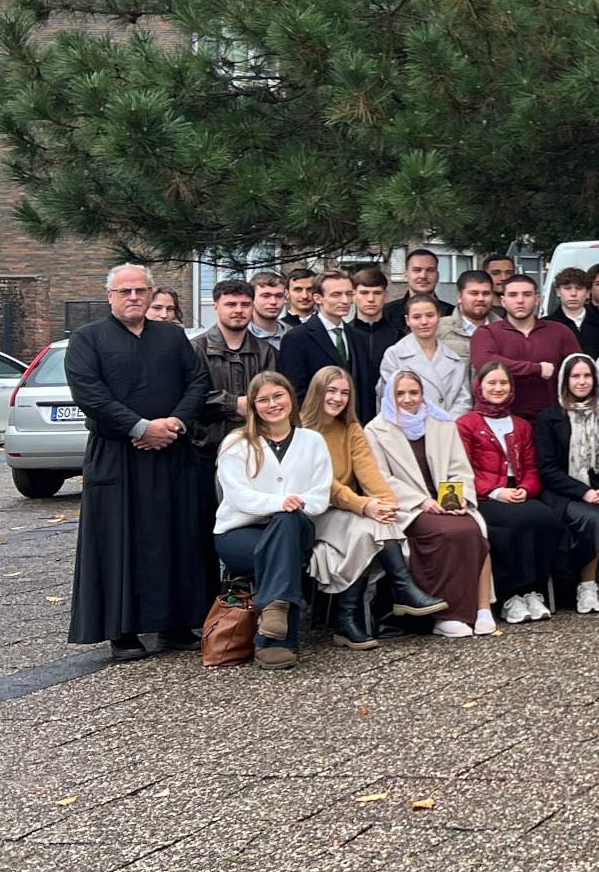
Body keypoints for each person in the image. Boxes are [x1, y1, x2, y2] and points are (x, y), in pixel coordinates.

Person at [68, 263, 215, 661]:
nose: (133, 297)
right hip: (118, 457)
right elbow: (89, 394)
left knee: (176, 537)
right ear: (110, 296)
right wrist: (138, 427)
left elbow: (199, 382)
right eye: (124, 291)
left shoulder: (171, 336)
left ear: (151, 294)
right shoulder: (87, 339)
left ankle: (177, 622)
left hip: (172, 453)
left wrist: (176, 423)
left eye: (140, 290)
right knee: (120, 541)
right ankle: (123, 629)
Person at [299, 366, 445, 648]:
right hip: (313, 510)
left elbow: (369, 473)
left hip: (346, 510)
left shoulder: (351, 429)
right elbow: (323, 485)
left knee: (372, 526)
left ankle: (349, 619)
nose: (338, 398)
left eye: (344, 392)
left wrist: (386, 505)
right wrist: (365, 506)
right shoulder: (302, 431)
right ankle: (398, 590)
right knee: (367, 528)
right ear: (318, 391)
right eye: (331, 390)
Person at [213, 370, 331, 669]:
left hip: (296, 527)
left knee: (287, 524)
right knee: (283, 545)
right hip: (238, 533)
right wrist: (280, 502)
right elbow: (238, 497)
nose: (272, 404)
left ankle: (273, 627)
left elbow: (319, 496)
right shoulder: (235, 443)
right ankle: (275, 626)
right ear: (253, 406)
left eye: (278, 396)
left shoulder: (313, 441)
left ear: (291, 397)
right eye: (263, 400)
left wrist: (289, 506)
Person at [365, 369, 496, 636]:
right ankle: (446, 615)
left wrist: (459, 498)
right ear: (390, 396)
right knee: (447, 532)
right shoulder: (376, 430)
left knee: (472, 529)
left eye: (414, 392)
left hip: (446, 502)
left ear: (423, 395)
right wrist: (421, 501)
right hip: (408, 507)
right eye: (400, 393)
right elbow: (380, 478)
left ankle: (482, 608)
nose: (407, 399)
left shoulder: (442, 423)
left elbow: (460, 467)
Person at [460, 360, 572, 623]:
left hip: (518, 491)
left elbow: (533, 467)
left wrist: (525, 488)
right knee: (512, 524)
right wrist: (497, 492)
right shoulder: (466, 424)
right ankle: (512, 595)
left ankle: (534, 589)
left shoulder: (521, 425)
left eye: (503, 383)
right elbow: (464, 469)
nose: (497, 388)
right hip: (486, 496)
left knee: (547, 519)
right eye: (492, 383)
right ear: (479, 386)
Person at [539, 352, 599, 612]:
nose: (582, 382)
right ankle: (586, 587)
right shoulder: (550, 417)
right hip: (566, 492)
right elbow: (548, 469)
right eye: (575, 376)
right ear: (565, 381)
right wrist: (584, 492)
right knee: (594, 519)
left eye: (587, 376)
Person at [468, 274, 580, 421]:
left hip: (552, 421)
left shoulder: (560, 331)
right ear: (503, 301)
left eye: (527, 294)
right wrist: (536, 369)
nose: (520, 300)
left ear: (537, 299)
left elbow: (579, 370)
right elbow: (485, 363)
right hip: (501, 420)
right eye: (513, 295)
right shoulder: (487, 333)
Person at [193, 278, 278, 459]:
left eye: (245, 304)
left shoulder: (266, 352)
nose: (238, 310)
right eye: (230, 304)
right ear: (216, 307)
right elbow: (188, 398)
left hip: (256, 448)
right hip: (205, 450)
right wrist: (233, 404)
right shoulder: (195, 349)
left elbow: (275, 397)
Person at [280, 269, 382, 408]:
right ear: (318, 298)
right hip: (316, 424)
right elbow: (295, 392)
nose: (345, 300)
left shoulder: (359, 338)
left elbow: (366, 390)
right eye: (336, 295)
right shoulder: (296, 338)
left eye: (349, 294)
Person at [378, 292, 473, 420]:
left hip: (447, 430)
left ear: (439, 317)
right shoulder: (394, 355)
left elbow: (463, 400)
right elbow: (388, 398)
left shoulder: (454, 358)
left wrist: (446, 425)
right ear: (407, 320)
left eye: (430, 315)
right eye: (417, 317)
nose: (424, 322)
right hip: (408, 430)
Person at [548, 266, 599, 359]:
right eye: (567, 288)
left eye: (579, 288)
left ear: (588, 293)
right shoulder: (547, 326)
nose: (573, 294)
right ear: (558, 292)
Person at [380, 249, 447, 336]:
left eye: (430, 270)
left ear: (438, 276)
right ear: (406, 275)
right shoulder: (386, 314)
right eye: (417, 270)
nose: (423, 276)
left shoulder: (451, 313)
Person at [440, 271, 497, 365]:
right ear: (459, 297)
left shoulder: (505, 330)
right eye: (474, 293)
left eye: (486, 293)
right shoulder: (438, 329)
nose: (480, 299)